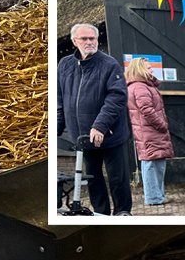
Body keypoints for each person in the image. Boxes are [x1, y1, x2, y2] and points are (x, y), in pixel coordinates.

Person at [56, 23, 133, 215]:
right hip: (82, 136)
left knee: (117, 178)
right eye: (84, 38)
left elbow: (117, 97)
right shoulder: (65, 65)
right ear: (75, 41)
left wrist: (100, 125)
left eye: (92, 38)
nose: (89, 42)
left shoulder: (109, 64)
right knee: (92, 178)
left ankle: (123, 213)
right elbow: (59, 99)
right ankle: (101, 214)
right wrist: (55, 128)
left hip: (110, 134)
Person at [124, 57, 174, 206]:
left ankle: (157, 196)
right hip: (150, 131)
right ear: (139, 69)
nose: (151, 69)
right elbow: (146, 109)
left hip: (149, 132)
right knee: (152, 165)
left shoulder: (141, 85)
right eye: (148, 67)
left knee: (156, 164)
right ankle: (154, 198)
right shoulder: (140, 87)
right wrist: (162, 125)